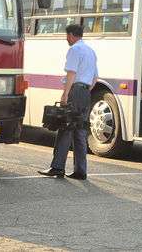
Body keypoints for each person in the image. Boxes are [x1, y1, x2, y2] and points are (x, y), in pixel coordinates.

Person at [38, 24, 98, 180]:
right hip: (85, 93)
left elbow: (71, 73)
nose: (66, 39)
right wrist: (84, 91)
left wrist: (66, 94)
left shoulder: (74, 50)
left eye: (67, 36)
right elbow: (95, 78)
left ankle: (57, 167)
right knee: (80, 131)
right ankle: (80, 170)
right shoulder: (91, 51)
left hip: (75, 90)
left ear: (71, 35)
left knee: (65, 128)